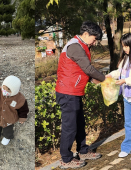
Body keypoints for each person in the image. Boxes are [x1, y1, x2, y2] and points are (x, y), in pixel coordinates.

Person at [55, 21, 106, 169]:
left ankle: (83, 150)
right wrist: (105, 78)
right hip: (67, 92)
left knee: (79, 124)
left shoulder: (80, 45)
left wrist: (93, 80)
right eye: (94, 38)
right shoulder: (75, 46)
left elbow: (79, 70)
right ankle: (65, 159)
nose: (95, 42)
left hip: (74, 91)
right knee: (69, 127)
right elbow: (88, 68)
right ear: (85, 34)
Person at [106, 33, 131, 161]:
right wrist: (110, 76)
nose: (124, 49)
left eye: (126, 46)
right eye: (123, 46)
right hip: (127, 97)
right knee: (128, 124)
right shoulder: (125, 58)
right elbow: (120, 72)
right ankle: (127, 147)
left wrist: (125, 81)